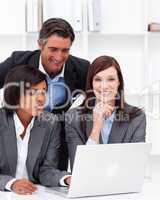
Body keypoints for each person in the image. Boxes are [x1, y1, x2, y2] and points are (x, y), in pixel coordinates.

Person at [0, 18, 90, 170]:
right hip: (18, 138)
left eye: (65, 50)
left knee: (51, 187)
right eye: (53, 49)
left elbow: (98, 97)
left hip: (56, 143)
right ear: (40, 45)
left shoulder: (82, 68)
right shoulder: (19, 61)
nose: (59, 57)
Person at [65, 55, 146, 171]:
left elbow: (136, 166)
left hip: (123, 186)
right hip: (88, 187)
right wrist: (96, 127)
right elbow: (80, 169)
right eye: (98, 79)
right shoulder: (73, 118)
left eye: (111, 79)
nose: (104, 86)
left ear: (119, 82)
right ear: (91, 83)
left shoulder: (137, 117)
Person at [0, 65, 71, 194]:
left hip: (34, 194)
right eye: (32, 92)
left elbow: (47, 170)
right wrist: (11, 183)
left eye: (43, 91)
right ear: (15, 94)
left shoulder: (51, 123)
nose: (40, 99)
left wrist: (66, 179)